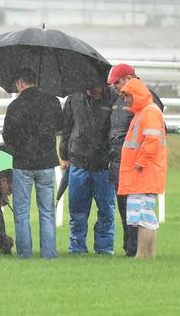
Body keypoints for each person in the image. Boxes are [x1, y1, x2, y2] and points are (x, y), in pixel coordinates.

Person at [3, 67, 63, 259]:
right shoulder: (52, 101)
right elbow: (61, 126)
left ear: (21, 83)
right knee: (47, 211)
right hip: (46, 162)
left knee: (21, 212)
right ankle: (49, 253)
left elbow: (7, 137)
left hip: (23, 164)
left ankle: (24, 253)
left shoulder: (14, 106)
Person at [107, 63, 164, 257]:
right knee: (139, 218)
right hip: (137, 174)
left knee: (144, 219)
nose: (124, 101)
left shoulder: (150, 111)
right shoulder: (141, 112)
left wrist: (140, 163)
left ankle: (143, 255)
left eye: (125, 96)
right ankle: (143, 254)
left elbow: (152, 140)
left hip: (143, 173)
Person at [59, 83, 116, 254]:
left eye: (95, 87)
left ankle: (105, 249)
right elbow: (66, 129)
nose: (92, 91)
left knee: (106, 211)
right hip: (78, 162)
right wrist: (64, 156)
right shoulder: (74, 97)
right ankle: (77, 248)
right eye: (88, 87)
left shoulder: (114, 98)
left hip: (104, 166)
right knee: (77, 211)